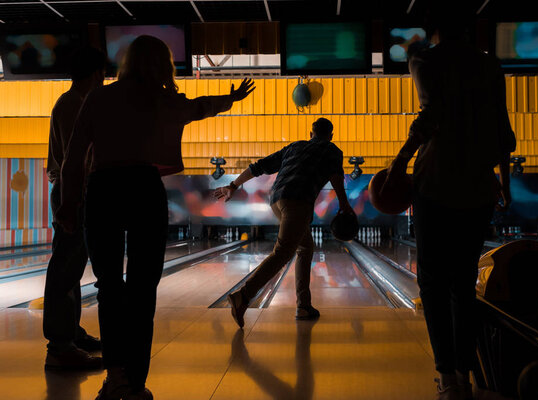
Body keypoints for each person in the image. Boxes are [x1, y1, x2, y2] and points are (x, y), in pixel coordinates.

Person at [57, 35, 254, 400]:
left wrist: (68, 205)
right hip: (145, 189)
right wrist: (231, 99)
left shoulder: (99, 97)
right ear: (163, 65)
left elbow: (72, 158)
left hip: (103, 189)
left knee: (109, 287)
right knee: (143, 289)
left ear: (128, 62)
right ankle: (135, 381)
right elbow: (200, 107)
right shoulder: (163, 100)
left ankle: (115, 375)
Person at [382, 5, 516, 400]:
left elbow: (431, 116)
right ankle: (465, 370)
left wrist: (399, 160)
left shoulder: (423, 58)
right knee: (463, 283)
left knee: (433, 282)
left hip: (435, 183)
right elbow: (503, 133)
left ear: (433, 29)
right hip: (478, 186)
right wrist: (503, 182)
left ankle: (448, 377)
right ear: (471, 27)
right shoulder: (490, 66)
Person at [214, 117, 354, 328]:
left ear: (311, 134)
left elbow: (259, 166)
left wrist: (233, 185)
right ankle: (243, 295)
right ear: (331, 136)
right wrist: (344, 204)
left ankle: (304, 306)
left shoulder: (295, 146)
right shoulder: (332, 150)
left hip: (277, 200)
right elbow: (336, 178)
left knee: (305, 247)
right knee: (283, 252)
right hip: (298, 201)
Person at [44, 46, 106, 370]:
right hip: (73, 194)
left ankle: (71, 334)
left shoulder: (79, 103)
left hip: (77, 193)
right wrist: (71, 203)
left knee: (72, 268)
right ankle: (59, 346)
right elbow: (73, 161)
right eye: (103, 73)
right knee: (65, 268)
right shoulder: (72, 104)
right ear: (96, 73)